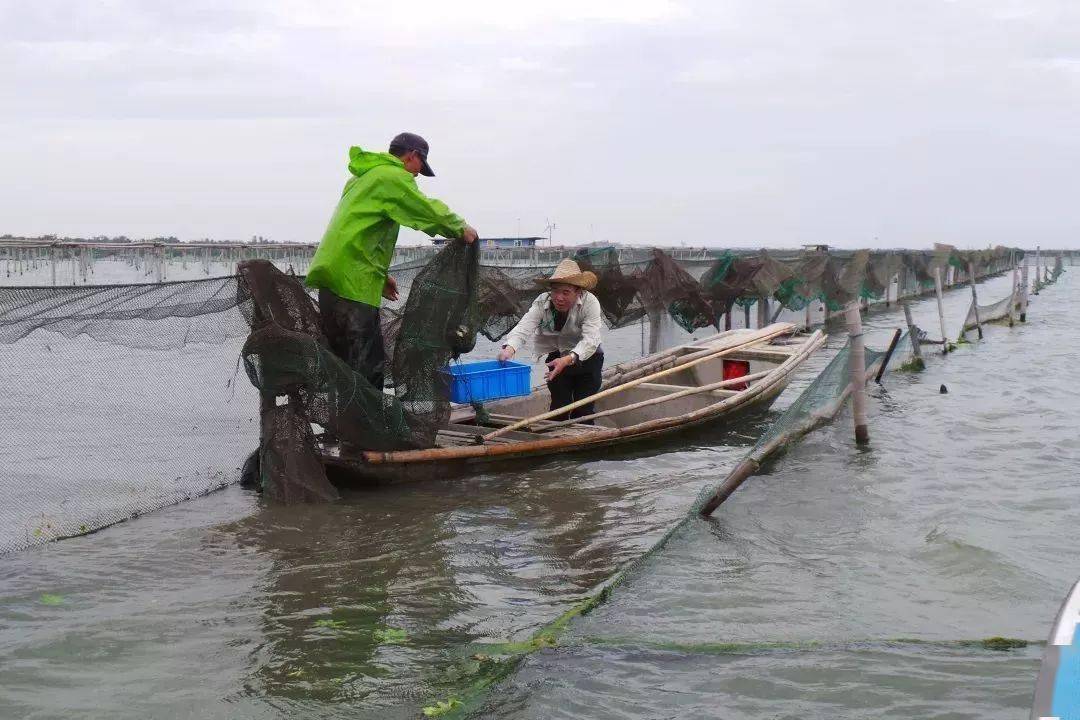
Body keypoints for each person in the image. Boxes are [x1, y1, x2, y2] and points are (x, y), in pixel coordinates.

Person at [306, 133, 478, 389]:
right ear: (412, 156)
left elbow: (356, 231)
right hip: (354, 286)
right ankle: (366, 428)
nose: (418, 175)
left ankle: (343, 428)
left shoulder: (362, 178)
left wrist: (379, 275)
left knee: (342, 366)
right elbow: (424, 208)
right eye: (420, 167)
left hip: (333, 281)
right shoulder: (392, 177)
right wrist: (459, 227)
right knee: (368, 370)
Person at [498, 259, 604, 422]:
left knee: (583, 411)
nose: (558, 297)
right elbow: (526, 325)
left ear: (578, 292)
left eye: (566, 292)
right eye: (555, 291)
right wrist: (510, 348)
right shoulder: (543, 301)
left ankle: (581, 441)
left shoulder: (590, 303)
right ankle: (557, 438)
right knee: (559, 408)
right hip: (556, 357)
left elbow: (591, 340)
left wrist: (569, 359)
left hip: (587, 359)